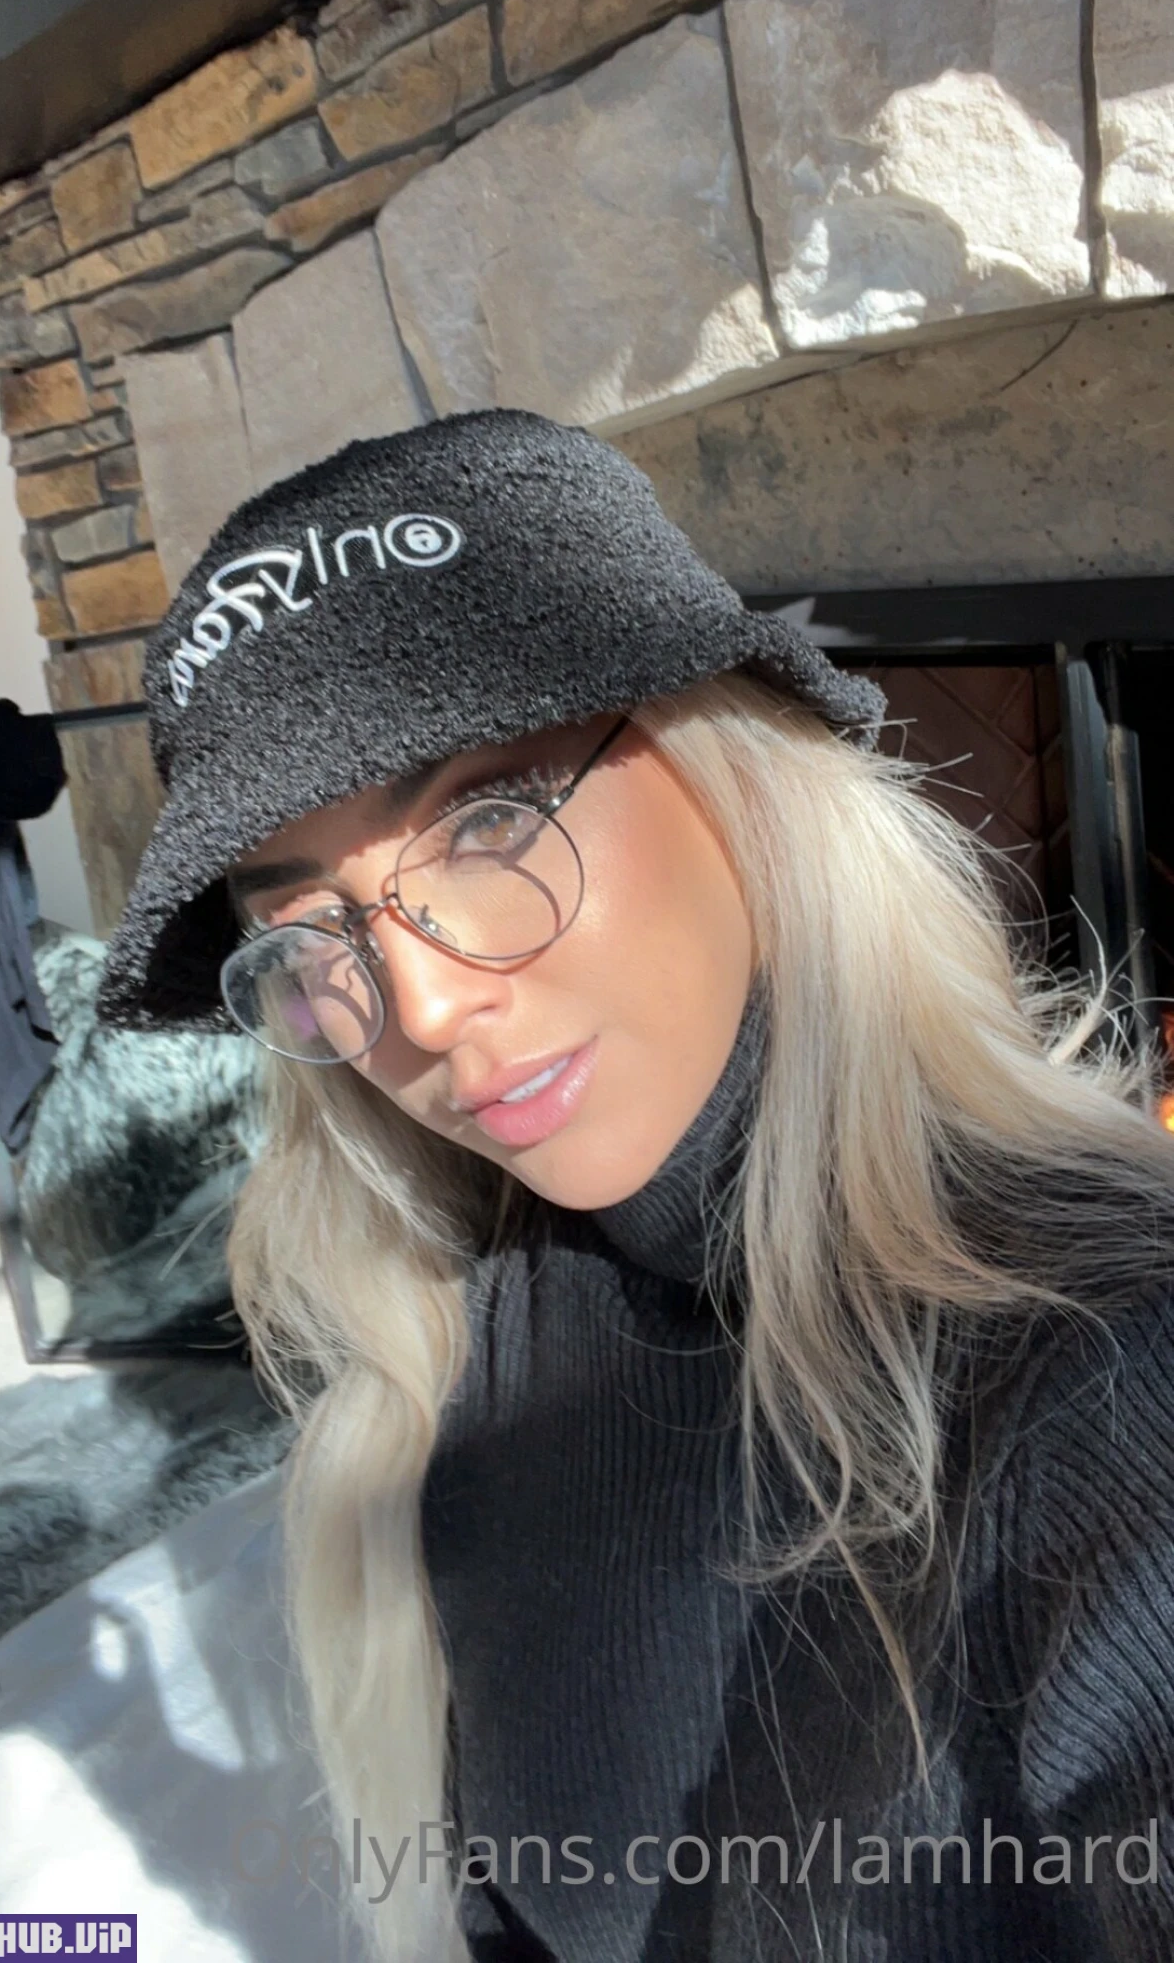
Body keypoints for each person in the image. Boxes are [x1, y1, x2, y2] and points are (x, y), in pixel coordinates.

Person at [98, 407, 1174, 1963]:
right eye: (309, 929)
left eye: (491, 817)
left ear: (739, 767)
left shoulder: (1114, 1373)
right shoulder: (463, 1344)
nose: (424, 1007)